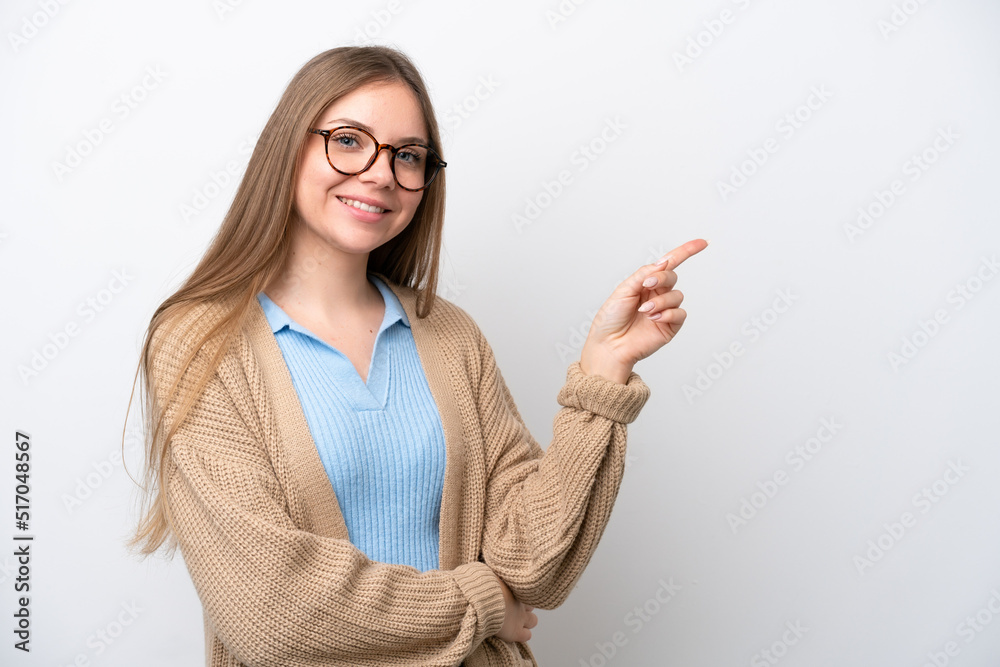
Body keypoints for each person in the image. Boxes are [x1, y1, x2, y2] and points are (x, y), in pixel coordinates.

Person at [123, 45, 707, 667]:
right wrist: (481, 603)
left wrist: (603, 374)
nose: (380, 173)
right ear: (286, 148)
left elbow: (533, 566)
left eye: (408, 156)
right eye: (349, 140)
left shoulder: (449, 335)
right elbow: (272, 614)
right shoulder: (198, 342)